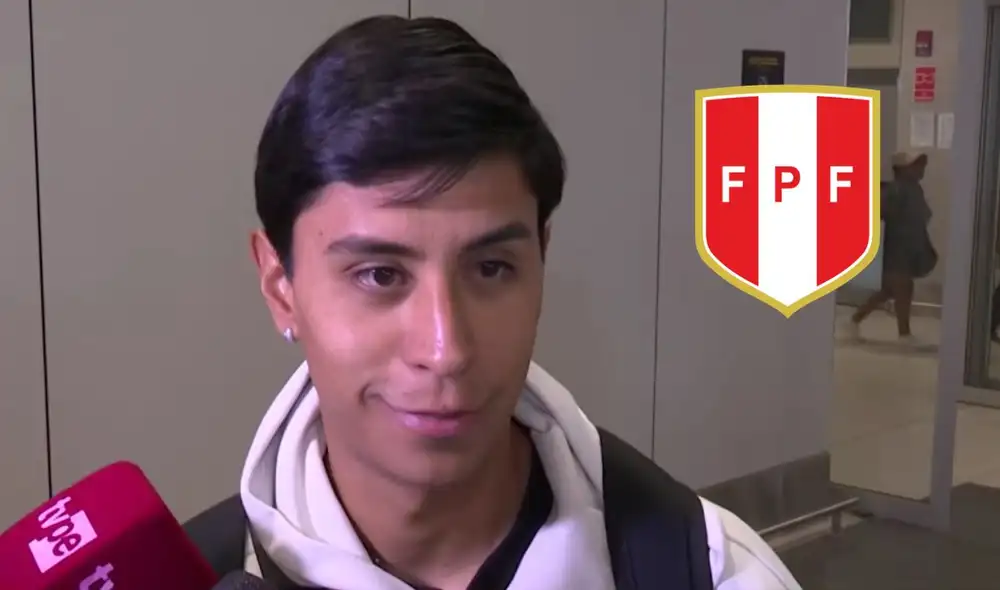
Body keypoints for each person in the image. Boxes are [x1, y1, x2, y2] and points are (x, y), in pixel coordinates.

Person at [239, 15, 799, 589]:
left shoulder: (710, 575)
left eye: (490, 268)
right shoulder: (195, 571)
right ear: (280, 285)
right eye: (380, 275)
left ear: (540, 260)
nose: (445, 349)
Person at [845, 151, 936, 345]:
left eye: (922, 166)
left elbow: (922, 216)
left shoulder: (913, 189)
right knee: (903, 288)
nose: (921, 169)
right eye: (917, 165)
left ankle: (854, 320)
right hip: (897, 249)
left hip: (908, 248)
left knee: (889, 290)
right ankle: (904, 334)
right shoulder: (896, 190)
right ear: (902, 170)